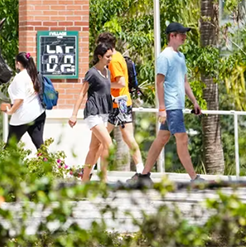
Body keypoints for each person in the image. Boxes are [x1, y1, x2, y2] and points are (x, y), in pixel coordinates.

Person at [137, 22, 205, 186]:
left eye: (185, 33)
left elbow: (185, 82)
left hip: (178, 105)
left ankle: (144, 174)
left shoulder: (180, 57)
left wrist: (194, 101)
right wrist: (162, 108)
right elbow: (159, 83)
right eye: (181, 33)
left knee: (162, 139)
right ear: (172, 36)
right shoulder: (164, 56)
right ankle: (194, 178)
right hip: (170, 106)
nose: (184, 36)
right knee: (182, 139)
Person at [86, 33, 145, 181]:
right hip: (122, 102)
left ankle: (92, 171)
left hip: (117, 103)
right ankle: (141, 170)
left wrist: (101, 84)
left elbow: (121, 83)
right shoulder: (117, 57)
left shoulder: (113, 60)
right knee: (124, 137)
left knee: (103, 139)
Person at [68, 43, 114, 182]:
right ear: (99, 56)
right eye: (107, 56)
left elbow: (105, 92)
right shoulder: (92, 73)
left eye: (111, 56)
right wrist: (74, 114)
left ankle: (84, 181)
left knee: (94, 148)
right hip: (93, 113)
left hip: (104, 113)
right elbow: (82, 93)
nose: (110, 59)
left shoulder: (108, 72)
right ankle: (104, 180)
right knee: (108, 144)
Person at [1, 52, 46, 149]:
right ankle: (49, 163)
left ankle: (0, 164)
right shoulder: (34, 74)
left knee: (9, 147)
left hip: (22, 117)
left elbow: (20, 99)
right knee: (40, 145)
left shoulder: (20, 77)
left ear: (19, 63)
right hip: (38, 114)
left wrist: (10, 111)